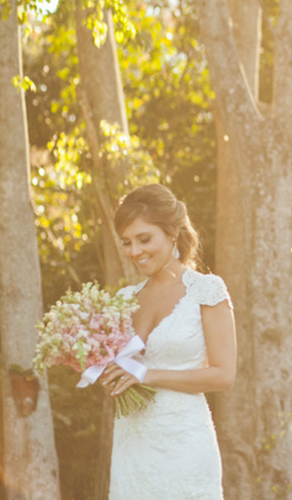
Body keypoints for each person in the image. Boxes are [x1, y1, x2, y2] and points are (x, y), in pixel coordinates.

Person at [100, 184, 236, 500]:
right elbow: (118, 371)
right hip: (132, 445)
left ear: (172, 234)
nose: (135, 251)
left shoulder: (207, 291)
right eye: (127, 242)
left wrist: (147, 375)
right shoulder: (124, 300)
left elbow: (224, 375)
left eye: (144, 239)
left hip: (184, 446)